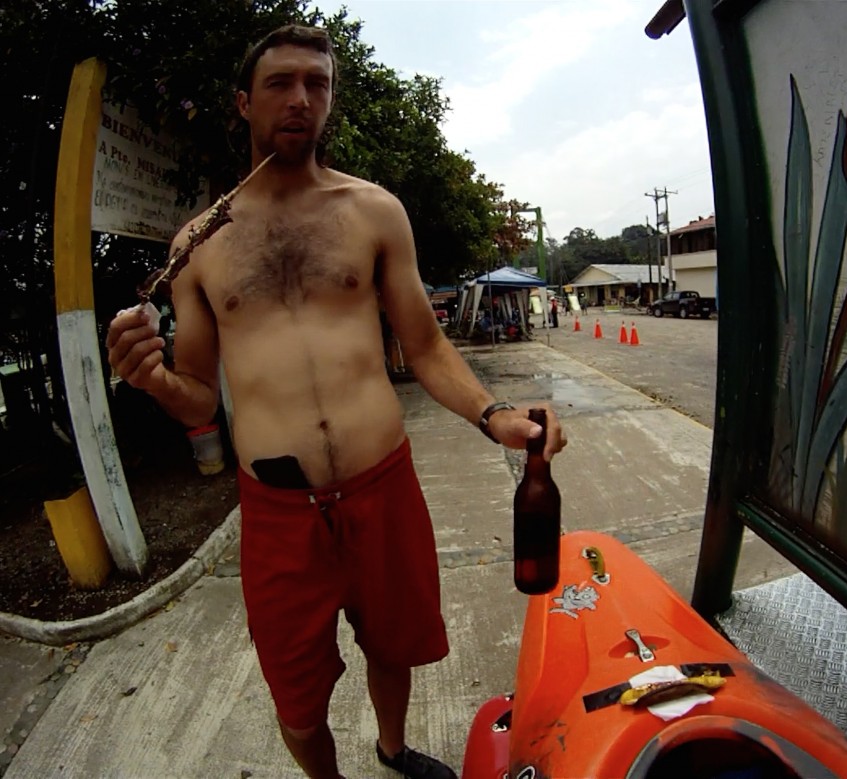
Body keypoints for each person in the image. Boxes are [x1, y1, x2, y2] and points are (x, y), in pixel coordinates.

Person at [105, 24, 567, 779]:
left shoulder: (373, 212)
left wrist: (493, 414)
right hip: (279, 513)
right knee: (297, 697)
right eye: (281, 83)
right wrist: (152, 377)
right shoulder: (199, 245)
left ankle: (391, 748)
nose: (300, 99)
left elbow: (424, 346)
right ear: (243, 103)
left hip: (382, 485)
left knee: (395, 644)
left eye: (316, 85)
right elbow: (196, 394)